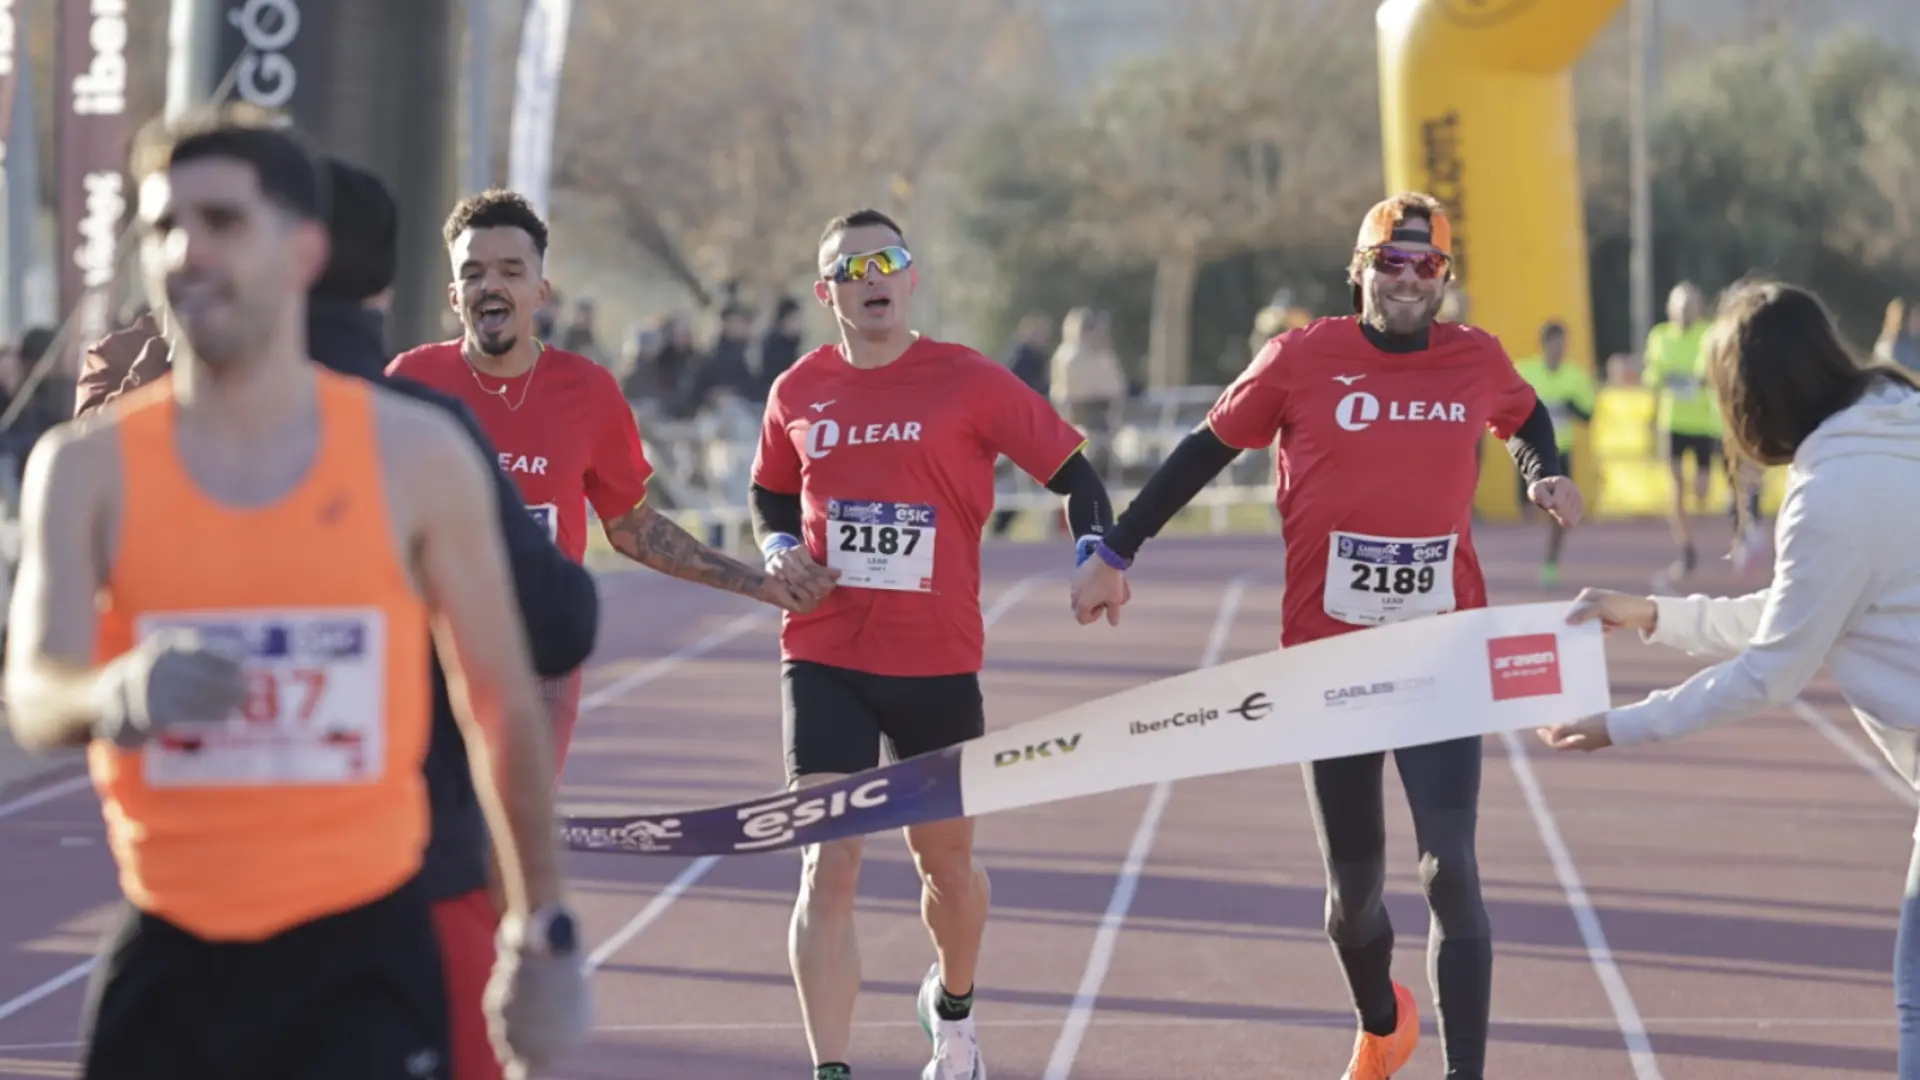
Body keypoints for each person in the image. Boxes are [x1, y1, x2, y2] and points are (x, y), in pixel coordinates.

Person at [6, 106, 590, 1079]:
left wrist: (544, 933)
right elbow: (33, 691)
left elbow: (498, 703)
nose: (188, 250)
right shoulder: (85, 469)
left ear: (305, 248)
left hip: (362, 952)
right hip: (175, 946)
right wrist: (116, 694)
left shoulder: (416, 454)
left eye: (225, 221)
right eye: (163, 226)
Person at [1069, 192, 1583, 1080]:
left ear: (1445, 279)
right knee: (1353, 901)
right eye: (1393, 263)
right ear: (1360, 270)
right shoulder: (1302, 359)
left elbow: (1526, 417)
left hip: (1441, 652)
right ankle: (1383, 1023)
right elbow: (1203, 449)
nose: (1411, 280)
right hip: (1329, 662)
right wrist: (1116, 549)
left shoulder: (1475, 359)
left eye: (1428, 267)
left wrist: (1545, 472)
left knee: (1449, 867)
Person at [748, 209, 1116, 1080]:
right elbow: (767, 495)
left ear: (910, 277)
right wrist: (775, 547)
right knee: (825, 865)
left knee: (946, 867)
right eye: (851, 267)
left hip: (936, 658)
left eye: (887, 261)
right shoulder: (798, 390)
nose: (871, 277)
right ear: (827, 292)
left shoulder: (969, 380)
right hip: (825, 651)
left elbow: (1076, 475)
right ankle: (830, 1069)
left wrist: (1097, 553)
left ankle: (952, 1011)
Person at [1537, 277, 1920, 1077]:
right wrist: (1655, 616)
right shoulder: (1896, 424)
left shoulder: (1835, 491)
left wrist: (1623, 724)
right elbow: (1808, 611)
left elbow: (1772, 671)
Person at [388, 189, 825, 773]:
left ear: (540, 294)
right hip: (428, 651)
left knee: (513, 832)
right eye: (473, 273)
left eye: (511, 272)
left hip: (538, 655)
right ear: (454, 295)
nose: (490, 285)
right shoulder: (411, 382)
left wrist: (755, 584)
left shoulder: (588, 390)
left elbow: (632, 527)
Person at [1513, 320, 1595, 587]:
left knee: (1558, 513)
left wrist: (1571, 407)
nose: (1559, 351)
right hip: (1530, 452)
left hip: (1561, 453)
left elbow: (1588, 415)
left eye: (1563, 346)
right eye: (1555, 345)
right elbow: (1507, 405)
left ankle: (1550, 561)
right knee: (1528, 511)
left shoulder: (1575, 376)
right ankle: (1519, 560)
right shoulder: (1526, 371)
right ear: (1544, 346)